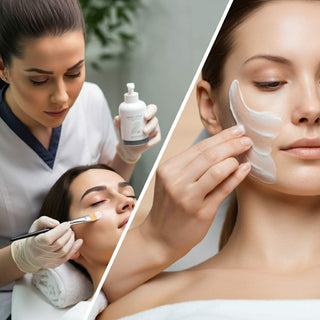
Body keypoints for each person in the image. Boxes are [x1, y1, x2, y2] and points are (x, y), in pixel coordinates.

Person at [97, 0, 320, 318]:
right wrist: (153, 242)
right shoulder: (142, 308)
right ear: (210, 108)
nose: (311, 108)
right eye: (270, 81)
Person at [0, 0, 160, 318]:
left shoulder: (90, 100)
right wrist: (22, 258)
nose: (61, 96)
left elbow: (104, 185)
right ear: (3, 67)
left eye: (74, 73)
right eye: (38, 80)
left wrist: (126, 155)